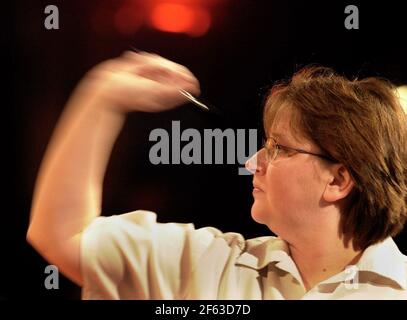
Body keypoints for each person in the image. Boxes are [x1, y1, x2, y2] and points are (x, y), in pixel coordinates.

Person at [27, 51, 407, 299]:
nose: (251, 162)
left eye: (280, 148)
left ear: (339, 180)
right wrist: (103, 96)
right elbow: (62, 237)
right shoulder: (209, 263)